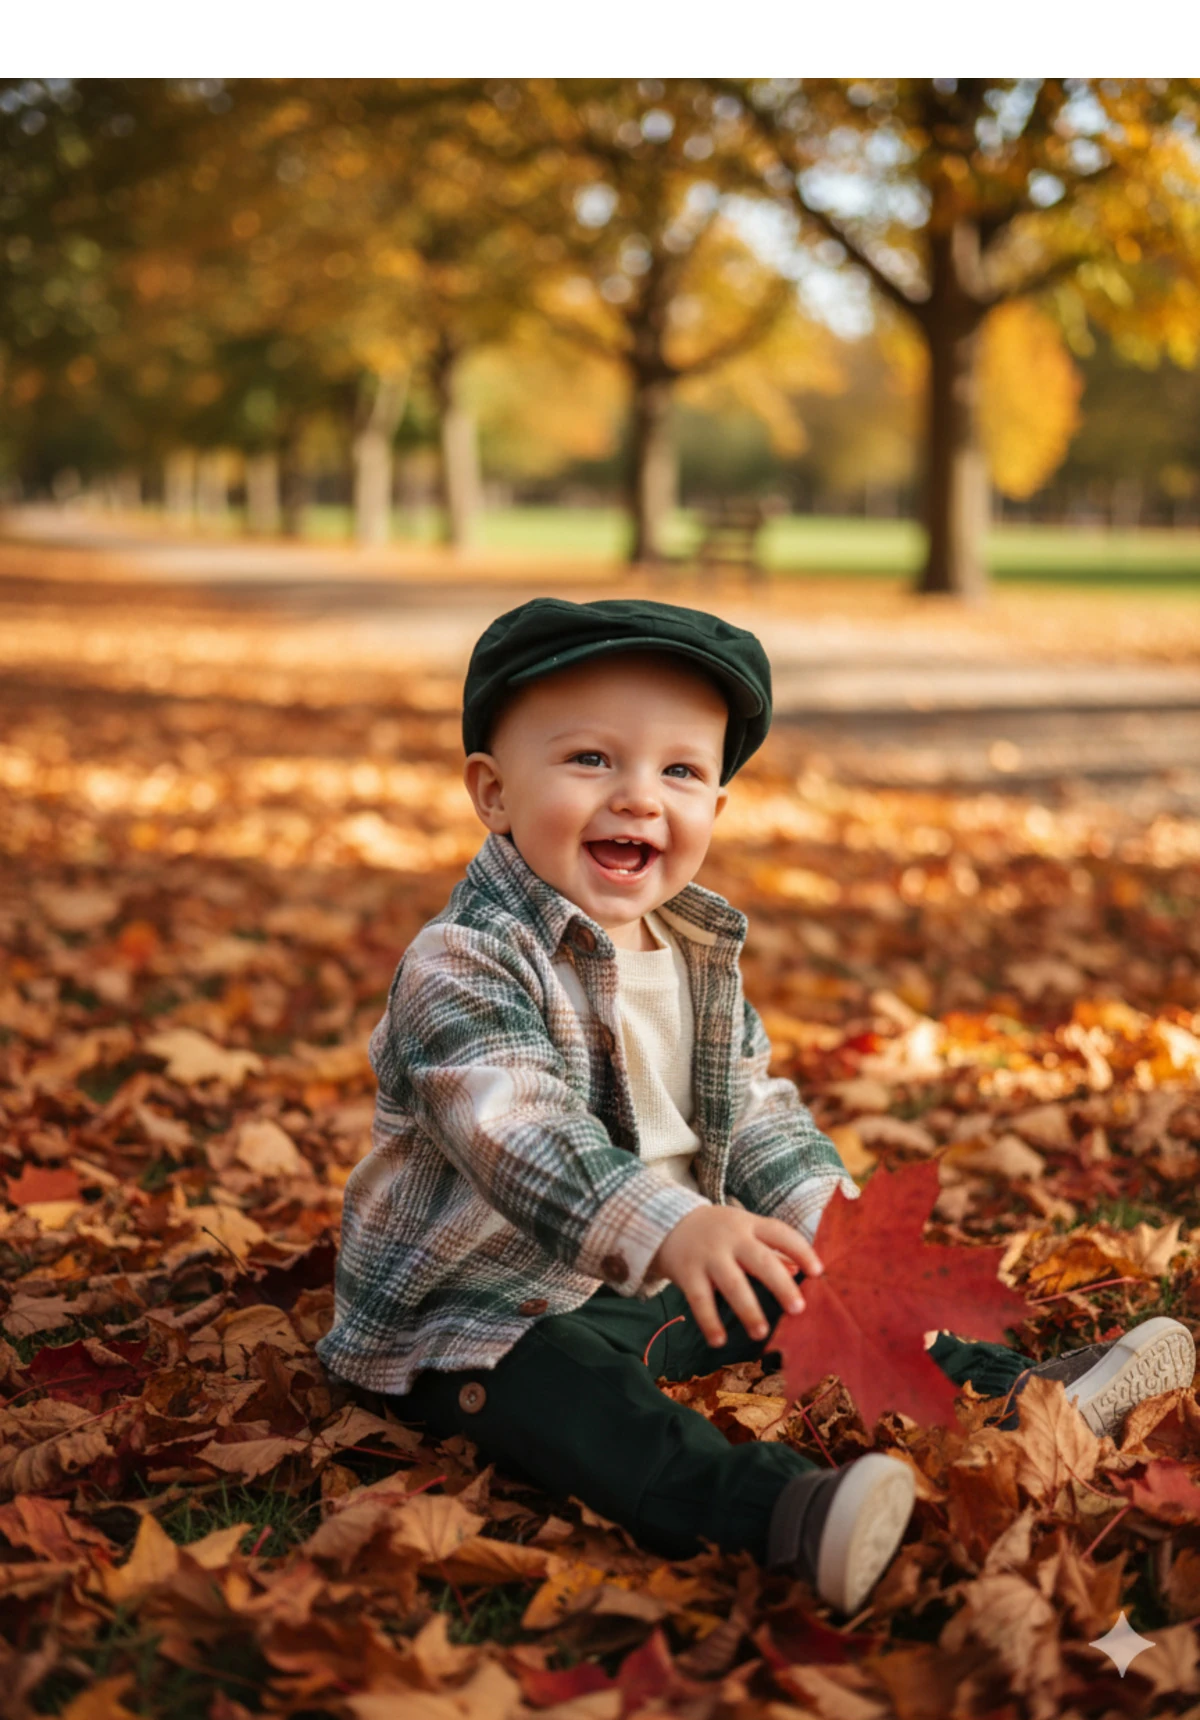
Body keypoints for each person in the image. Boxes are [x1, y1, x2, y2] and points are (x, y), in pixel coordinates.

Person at [315, 597, 1195, 1615]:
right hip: (476, 1314)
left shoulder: (694, 955)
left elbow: (757, 1111)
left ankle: (1024, 1396)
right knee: (579, 1402)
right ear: (493, 792)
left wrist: (832, 1225)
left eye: (680, 771)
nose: (639, 798)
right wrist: (676, 1223)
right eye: (592, 760)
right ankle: (778, 1516)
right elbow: (515, 1128)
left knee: (804, 1287)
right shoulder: (462, 962)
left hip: (656, 1274)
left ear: (717, 810)